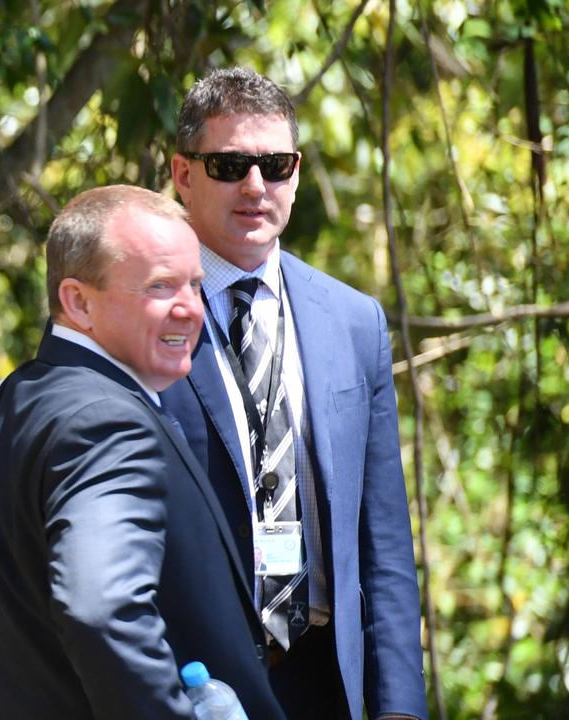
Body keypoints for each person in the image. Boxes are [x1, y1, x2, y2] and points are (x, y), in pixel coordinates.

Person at [0, 186, 286, 720]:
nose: (191, 309)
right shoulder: (107, 421)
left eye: (195, 284)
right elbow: (102, 608)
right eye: (160, 286)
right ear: (78, 301)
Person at [162, 66, 428, 720]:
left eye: (275, 165)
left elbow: (383, 542)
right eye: (230, 165)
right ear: (183, 174)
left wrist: (398, 706)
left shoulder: (354, 320)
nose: (256, 186)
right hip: (193, 684)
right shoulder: (142, 317)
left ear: (297, 173)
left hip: (325, 678)